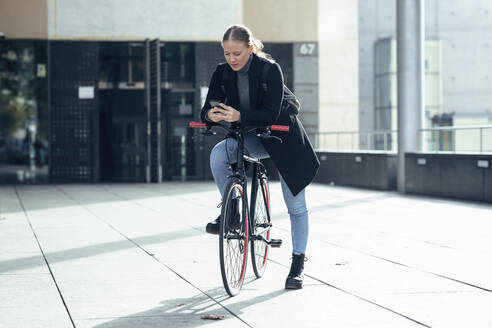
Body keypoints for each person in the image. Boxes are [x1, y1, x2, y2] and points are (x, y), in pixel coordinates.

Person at [200, 24, 319, 290]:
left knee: (296, 207)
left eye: (237, 54)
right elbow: (208, 106)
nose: (231, 59)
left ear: (250, 49)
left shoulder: (269, 70)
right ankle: (232, 212)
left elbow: (269, 112)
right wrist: (210, 115)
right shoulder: (221, 73)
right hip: (253, 138)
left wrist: (239, 116)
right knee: (220, 153)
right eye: (227, 53)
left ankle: (298, 263)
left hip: (284, 140)